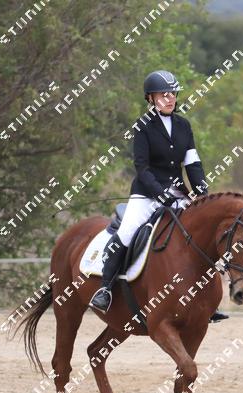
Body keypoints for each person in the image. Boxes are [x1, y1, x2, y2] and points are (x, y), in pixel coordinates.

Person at [89, 69, 228, 323]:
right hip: (146, 194)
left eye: (172, 93)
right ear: (150, 98)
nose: (170, 98)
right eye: (163, 94)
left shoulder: (184, 125)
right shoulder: (143, 126)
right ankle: (105, 289)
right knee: (127, 232)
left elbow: (193, 164)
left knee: (200, 234)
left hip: (177, 193)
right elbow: (142, 168)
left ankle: (206, 300)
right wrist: (159, 193)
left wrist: (203, 196)